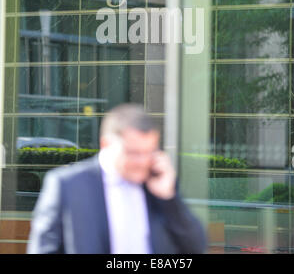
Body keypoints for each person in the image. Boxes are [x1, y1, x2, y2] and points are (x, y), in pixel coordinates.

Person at [27, 103, 207, 254]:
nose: (142, 162)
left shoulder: (158, 183)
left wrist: (169, 199)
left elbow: (195, 247)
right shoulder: (68, 185)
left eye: (149, 152)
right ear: (106, 144)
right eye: (133, 153)